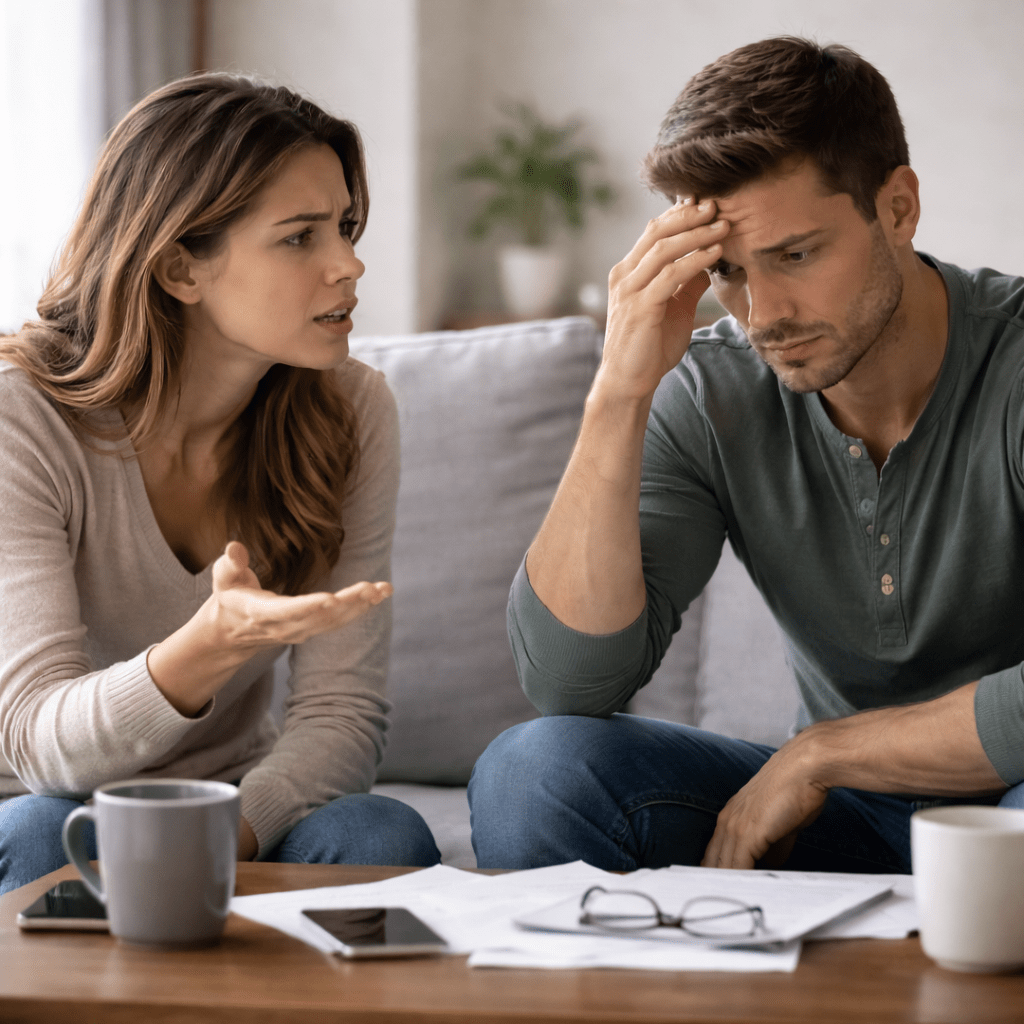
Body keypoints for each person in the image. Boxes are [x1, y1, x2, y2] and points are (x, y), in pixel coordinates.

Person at [469, 36, 1024, 874]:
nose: (763, 313)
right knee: (534, 773)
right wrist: (619, 392)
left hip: (1004, 804)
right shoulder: (709, 390)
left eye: (796, 255)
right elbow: (573, 687)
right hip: (836, 819)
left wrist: (821, 753)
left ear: (899, 209)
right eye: (727, 270)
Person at [0, 73, 441, 895]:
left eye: (343, 226)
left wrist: (225, 831)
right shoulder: (21, 417)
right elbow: (36, 740)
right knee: (39, 832)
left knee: (379, 832)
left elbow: (338, 716)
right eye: (300, 237)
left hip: (226, 807)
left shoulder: (351, 409)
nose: (350, 263)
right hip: (44, 799)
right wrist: (205, 650)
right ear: (179, 268)